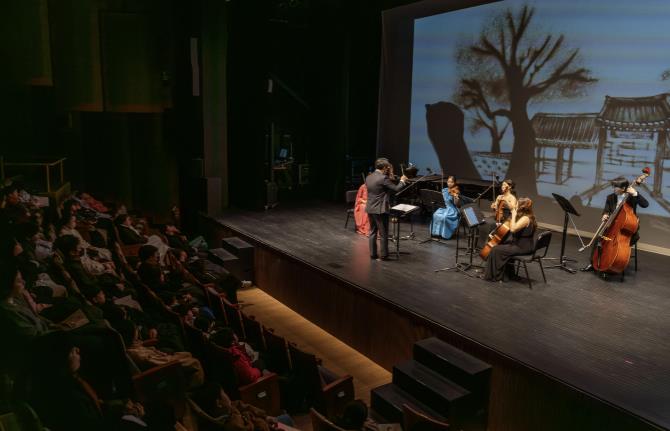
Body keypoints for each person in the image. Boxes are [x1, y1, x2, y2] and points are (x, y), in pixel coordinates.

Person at [581, 176, 649, 272]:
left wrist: (635, 193)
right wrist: (605, 215)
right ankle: (593, 263)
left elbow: (645, 204)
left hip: (627, 230)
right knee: (599, 239)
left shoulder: (631, 197)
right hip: (612, 227)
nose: (613, 189)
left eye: (615, 187)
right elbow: (606, 210)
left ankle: (614, 262)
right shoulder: (610, 197)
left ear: (623, 188)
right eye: (613, 186)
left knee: (619, 245)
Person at [483, 197, 536, 282]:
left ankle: (496, 276)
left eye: (517, 205)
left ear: (521, 207)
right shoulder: (526, 216)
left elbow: (513, 229)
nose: (515, 207)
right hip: (522, 245)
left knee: (496, 249)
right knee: (501, 246)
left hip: (522, 247)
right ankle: (505, 274)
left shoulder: (525, 218)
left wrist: (514, 214)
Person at [365, 158, 408, 260]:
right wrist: (402, 181)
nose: (388, 169)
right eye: (387, 167)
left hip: (370, 207)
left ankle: (373, 254)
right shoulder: (383, 178)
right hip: (380, 209)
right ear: (384, 167)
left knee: (372, 232)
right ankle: (384, 255)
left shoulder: (369, 177)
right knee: (383, 233)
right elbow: (396, 188)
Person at [480, 178, 517, 247]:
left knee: (492, 225)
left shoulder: (512, 198)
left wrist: (506, 200)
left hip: (507, 219)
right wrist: (493, 206)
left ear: (509, 187)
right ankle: (484, 244)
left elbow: (513, 208)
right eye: (502, 185)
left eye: (504, 185)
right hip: (498, 217)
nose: (502, 186)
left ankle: (494, 243)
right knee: (484, 222)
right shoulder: (499, 196)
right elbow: (496, 209)